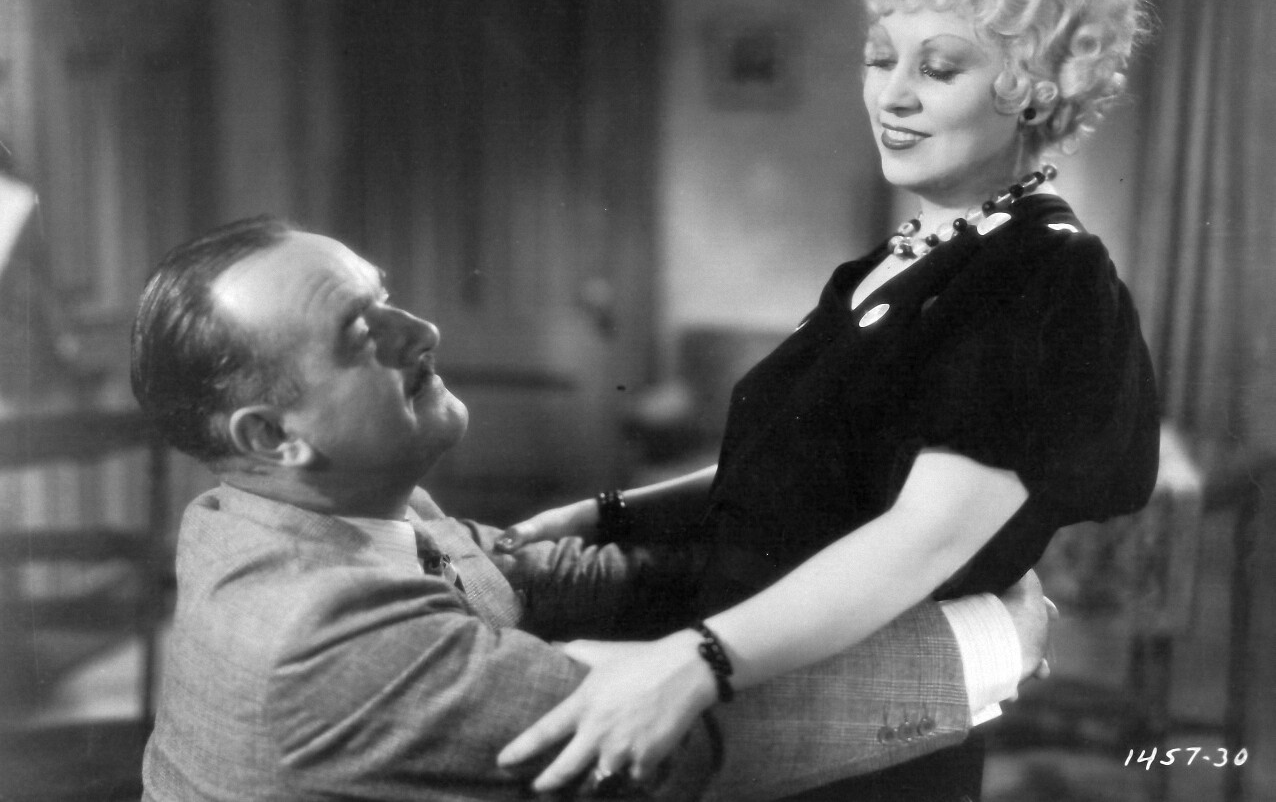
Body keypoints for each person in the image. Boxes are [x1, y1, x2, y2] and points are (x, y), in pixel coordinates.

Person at [495, 0, 1159, 802]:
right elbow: (789, 464)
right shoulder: (891, 262)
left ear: (1035, 88)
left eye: (940, 68)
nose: (893, 95)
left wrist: (694, 662)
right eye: (880, 58)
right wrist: (610, 514)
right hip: (760, 681)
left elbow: (920, 541)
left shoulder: (1047, 273)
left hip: (862, 736)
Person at [133, 217, 1053, 802]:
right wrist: (987, 641)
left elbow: (543, 580)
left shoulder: (296, 511)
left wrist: (843, 572)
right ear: (272, 437)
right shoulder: (316, 636)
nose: (424, 332)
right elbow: (680, 746)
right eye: (362, 333)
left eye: (388, 299)